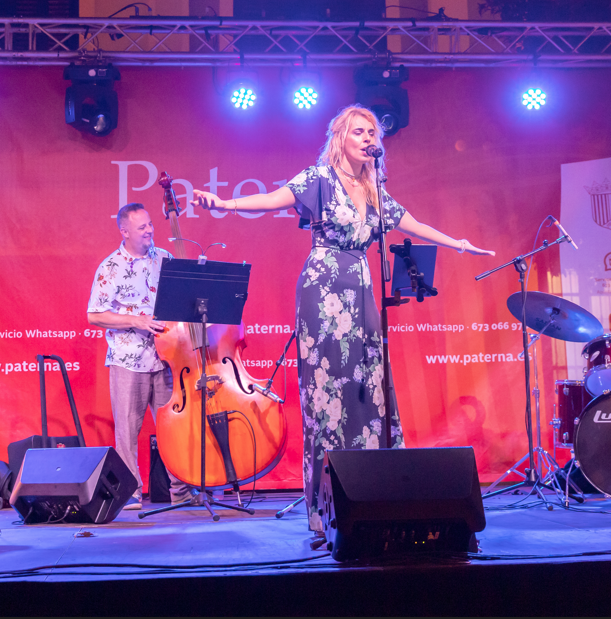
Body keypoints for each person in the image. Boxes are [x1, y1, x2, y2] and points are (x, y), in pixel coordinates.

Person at [191, 105, 495, 535]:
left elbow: (413, 224)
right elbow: (272, 200)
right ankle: (324, 509)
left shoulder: (374, 189)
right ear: (341, 138)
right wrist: (226, 203)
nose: (368, 138)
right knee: (327, 393)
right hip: (323, 287)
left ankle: (374, 497)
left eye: (372, 133)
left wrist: (459, 244)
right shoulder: (319, 179)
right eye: (359, 132)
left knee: (367, 389)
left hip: (361, 287)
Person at [87, 203, 191, 511]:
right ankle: (130, 494)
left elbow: (184, 299)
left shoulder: (165, 258)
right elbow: (95, 315)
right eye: (142, 227)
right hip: (128, 360)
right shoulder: (110, 267)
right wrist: (136, 320)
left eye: (150, 224)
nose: (149, 230)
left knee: (174, 427)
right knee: (127, 432)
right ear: (125, 231)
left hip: (167, 358)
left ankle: (182, 491)